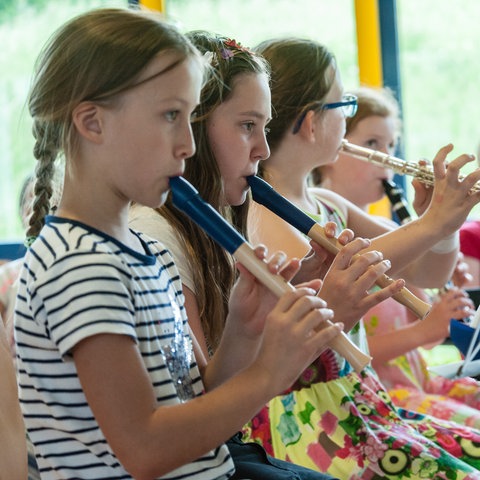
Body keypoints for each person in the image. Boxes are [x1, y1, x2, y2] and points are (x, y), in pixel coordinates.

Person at [14, 10, 346, 480]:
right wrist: (270, 371)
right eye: (172, 116)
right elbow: (146, 449)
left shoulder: (141, 252)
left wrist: (244, 330)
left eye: (190, 118)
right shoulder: (80, 266)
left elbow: (195, 400)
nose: (189, 145)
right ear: (92, 123)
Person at [129, 29, 392, 480]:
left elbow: (209, 390)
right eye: (248, 126)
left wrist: (253, 322)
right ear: (192, 127)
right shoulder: (154, 235)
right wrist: (299, 331)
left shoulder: (212, 223)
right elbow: (198, 419)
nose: (263, 150)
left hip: (220, 455)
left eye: (264, 128)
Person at [243, 36, 480, 478]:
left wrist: (442, 224)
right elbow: (335, 274)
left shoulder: (328, 201)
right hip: (308, 422)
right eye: (344, 106)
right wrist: (428, 225)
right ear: (313, 122)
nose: (347, 116)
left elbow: (427, 272)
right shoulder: (258, 211)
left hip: (365, 403)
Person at [318, 85, 480, 428]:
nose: (386, 157)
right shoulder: (322, 227)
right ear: (333, 142)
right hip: (379, 400)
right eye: (373, 144)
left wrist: (442, 232)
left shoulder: (388, 228)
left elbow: (428, 321)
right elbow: (332, 351)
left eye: (391, 145)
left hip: (418, 383)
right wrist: (425, 331)